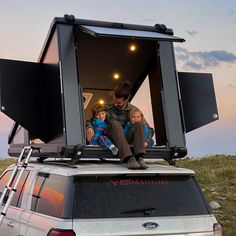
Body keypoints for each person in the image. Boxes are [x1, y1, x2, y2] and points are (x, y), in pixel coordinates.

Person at [86, 81, 149, 169]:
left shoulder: (133, 110)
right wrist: (89, 127)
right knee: (115, 124)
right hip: (109, 137)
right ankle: (128, 158)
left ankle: (139, 157)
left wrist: (146, 141)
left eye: (119, 103)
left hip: (124, 139)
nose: (115, 104)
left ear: (126, 99)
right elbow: (90, 120)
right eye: (114, 99)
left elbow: (150, 130)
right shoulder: (106, 107)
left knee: (139, 124)